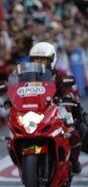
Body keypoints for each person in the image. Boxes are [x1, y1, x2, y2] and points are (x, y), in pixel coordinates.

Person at [29, 42, 82, 174]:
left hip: (57, 108)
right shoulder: (27, 75)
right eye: (36, 59)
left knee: (72, 132)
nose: (39, 62)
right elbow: (17, 91)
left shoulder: (59, 73)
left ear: (52, 60)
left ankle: (74, 160)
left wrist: (66, 99)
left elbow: (67, 91)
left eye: (43, 59)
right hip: (34, 110)